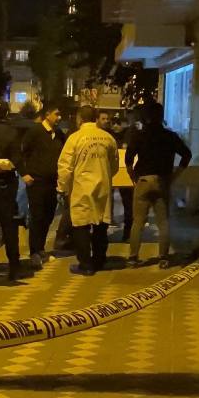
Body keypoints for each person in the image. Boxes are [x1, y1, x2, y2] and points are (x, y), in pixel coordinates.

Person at [126, 102, 192, 269]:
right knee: (163, 221)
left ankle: (133, 258)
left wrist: (133, 177)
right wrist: (175, 175)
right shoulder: (170, 136)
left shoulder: (139, 135)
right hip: (162, 181)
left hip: (143, 180)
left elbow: (128, 159)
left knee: (138, 222)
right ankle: (163, 258)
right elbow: (187, 154)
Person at [57, 106, 119, 276]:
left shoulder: (75, 138)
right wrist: (104, 175)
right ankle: (99, 260)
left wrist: (62, 188)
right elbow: (114, 165)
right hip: (103, 186)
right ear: (96, 118)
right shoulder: (108, 138)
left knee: (81, 225)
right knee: (101, 225)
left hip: (81, 186)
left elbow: (65, 167)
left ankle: (85, 264)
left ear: (79, 118)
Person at [0, 100, 33, 281]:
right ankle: (14, 267)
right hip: (5, 185)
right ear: (6, 113)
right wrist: (25, 174)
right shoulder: (12, 132)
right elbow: (16, 158)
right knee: (9, 227)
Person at [21, 103, 65, 269]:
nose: (59, 118)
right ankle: (34, 252)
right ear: (47, 114)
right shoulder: (35, 132)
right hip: (37, 181)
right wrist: (25, 173)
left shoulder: (58, 134)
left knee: (48, 216)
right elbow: (22, 152)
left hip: (52, 182)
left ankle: (41, 249)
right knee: (37, 216)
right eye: (56, 114)